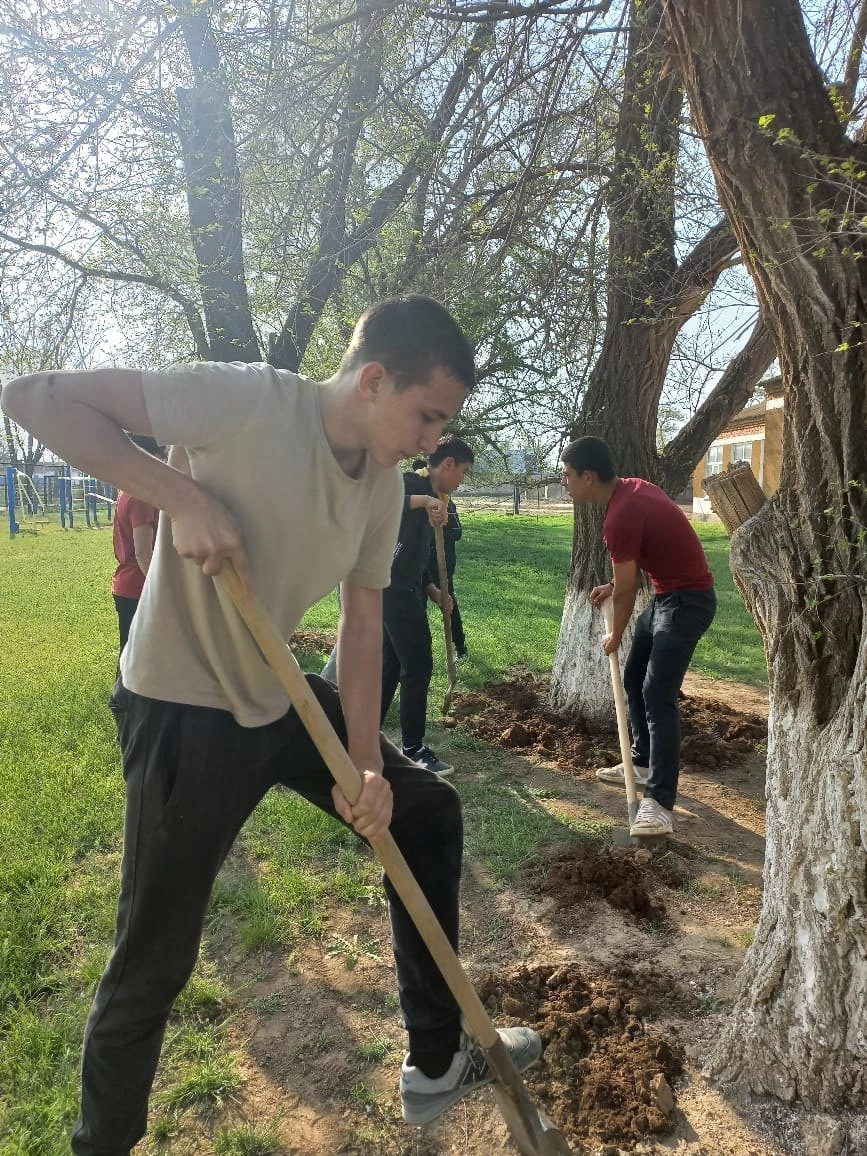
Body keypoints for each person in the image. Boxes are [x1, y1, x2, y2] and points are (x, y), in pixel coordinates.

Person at [0, 296, 540, 1156]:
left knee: (423, 808)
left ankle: (436, 1063)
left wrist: (364, 766)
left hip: (277, 693)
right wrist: (177, 494)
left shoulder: (374, 485)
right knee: (156, 959)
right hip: (182, 705)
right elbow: (31, 397)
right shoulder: (245, 399)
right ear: (372, 381)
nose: (434, 441)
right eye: (427, 415)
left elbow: (363, 634)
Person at [561, 435, 716, 838]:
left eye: (567, 475)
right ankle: (643, 763)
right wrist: (614, 587)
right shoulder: (632, 489)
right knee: (634, 678)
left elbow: (629, 591)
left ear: (588, 477)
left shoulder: (619, 517)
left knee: (656, 696)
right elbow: (632, 574)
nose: (564, 482)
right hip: (670, 596)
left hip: (686, 603)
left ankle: (660, 803)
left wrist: (614, 632)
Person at [323, 436, 474, 777]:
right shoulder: (408, 484)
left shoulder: (438, 500)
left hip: (405, 586)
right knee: (418, 664)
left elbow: (416, 557)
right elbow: (376, 502)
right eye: (462, 471)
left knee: (391, 664)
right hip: (387, 586)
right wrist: (423, 501)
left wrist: (434, 589)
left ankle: (365, 740)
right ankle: (413, 749)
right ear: (447, 464)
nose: (462, 480)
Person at [110, 435, 165, 651]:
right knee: (134, 663)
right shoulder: (140, 495)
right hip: (138, 589)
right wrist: (161, 589)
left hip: (131, 586)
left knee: (135, 661)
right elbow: (143, 553)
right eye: (163, 456)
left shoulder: (131, 489)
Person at [427, 490, 468, 658]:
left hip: (443, 562)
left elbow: (457, 532)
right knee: (417, 605)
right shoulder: (421, 502)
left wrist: (440, 529)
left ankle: (460, 646)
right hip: (422, 561)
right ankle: (422, 649)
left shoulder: (446, 501)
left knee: (448, 600)